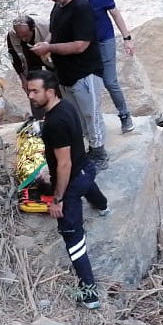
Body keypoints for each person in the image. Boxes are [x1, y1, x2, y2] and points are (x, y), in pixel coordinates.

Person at [26, 69, 108, 309]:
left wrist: (57, 199)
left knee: (72, 236)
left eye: (35, 91)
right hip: (86, 169)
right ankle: (103, 206)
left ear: (50, 92)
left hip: (72, 180)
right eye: (29, 90)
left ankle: (89, 294)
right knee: (87, 185)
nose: (30, 95)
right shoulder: (65, 107)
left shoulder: (55, 123)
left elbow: (64, 164)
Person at [32, 0, 110, 168]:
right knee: (75, 116)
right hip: (65, 74)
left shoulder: (82, 8)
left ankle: (100, 154)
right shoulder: (58, 7)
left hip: (85, 72)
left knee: (91, 114)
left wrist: (49, 47)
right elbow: (53, 30)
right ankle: (84, 151)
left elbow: (81, 45)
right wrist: (46, 44)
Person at [77, 0, 137, 134]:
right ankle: (91, 122)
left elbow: (115, 14)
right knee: (87, 85)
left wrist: (127, 38)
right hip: (85, 44)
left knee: (110, 82)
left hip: (105, 40)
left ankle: (125, 116)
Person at [6, 15, 53, 93]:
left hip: (50, 57)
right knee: (33, 87)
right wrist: (22, 77)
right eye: (20, 37)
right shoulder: (12, 35)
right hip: (31, 61)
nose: (23, 39)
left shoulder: (46, 27)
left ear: (33, 28)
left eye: (26, 36)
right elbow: (14, 57)